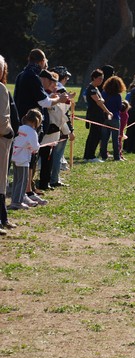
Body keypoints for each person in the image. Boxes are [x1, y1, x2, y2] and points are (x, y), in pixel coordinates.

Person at [13, 49, 68, 196]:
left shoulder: (21, 75)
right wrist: (58, 99)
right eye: (45, 61)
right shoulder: (33, 76)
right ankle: (27, 191)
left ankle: (28, 189)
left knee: (28, 158)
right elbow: (44, 102)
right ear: (41, 61)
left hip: (22, 121)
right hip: (31, 123)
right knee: (29, 158)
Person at [9, 109, 43, 210]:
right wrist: (36, 147)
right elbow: (35, 147)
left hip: (14, 157)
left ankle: (15, 199)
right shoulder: (32, 132)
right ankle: (17, 202)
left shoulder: (19, 128)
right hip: (23, 159)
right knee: (23, 181)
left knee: (16, 180)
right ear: (36, 121)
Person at [49, 66, 75, 187]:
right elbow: (63, 113)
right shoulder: (61, 90)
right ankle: (54, 178)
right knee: (57, 154)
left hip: (50, 125)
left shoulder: (51, 88)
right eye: (66, 78)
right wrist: (69, 131)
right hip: (59, 126)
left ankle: (49, 177)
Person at [0, 54, 16, 233]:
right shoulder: (0, 89)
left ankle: (3, 217)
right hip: (1, 141)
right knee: (0, 180)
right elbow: (2, 120)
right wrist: (9, 132)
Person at [83, 69, 112, 162]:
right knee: (94, 135)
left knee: (96, 135)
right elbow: (99, 102)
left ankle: (89, 155)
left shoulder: (96, 89)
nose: (101, 81)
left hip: (98, 115)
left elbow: (101, 100)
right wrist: (108, 112)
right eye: (99, 78)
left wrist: (101, 100)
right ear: (94, 78)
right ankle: (90, 156)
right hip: (94, 115)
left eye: (102, 79)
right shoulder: (91, 88)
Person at [100, 75, 126, 161]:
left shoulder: (103, 93)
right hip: (115, 118)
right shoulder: (118, 96)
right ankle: (116, 157)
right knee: (115, 139)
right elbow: (119, 107)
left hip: (105, 118)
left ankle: (103, 155)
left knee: (104, 138)